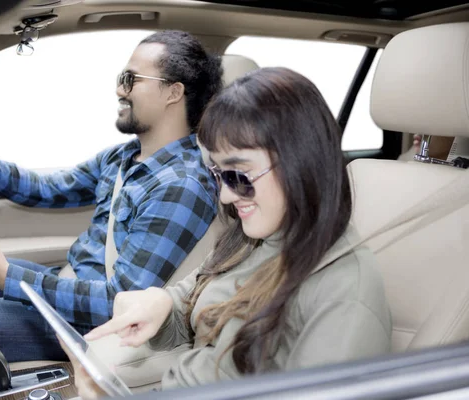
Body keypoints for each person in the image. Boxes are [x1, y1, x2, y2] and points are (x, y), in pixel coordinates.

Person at [0, 30, 223, 378]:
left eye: (130, 79)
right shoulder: (124, 157)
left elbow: (118, 303)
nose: (119, 89)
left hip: (85, 324)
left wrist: (4, 276)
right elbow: (46, 189)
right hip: (67, 285)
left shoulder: (182, 186)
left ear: (173, 92)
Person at [66, 67, 392, 398]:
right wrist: (162, 304)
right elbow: (196, 295)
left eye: (239, 175)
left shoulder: (345, 291)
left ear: (300, 162)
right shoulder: (253, 236)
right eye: (218, 174)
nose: (225, 196)